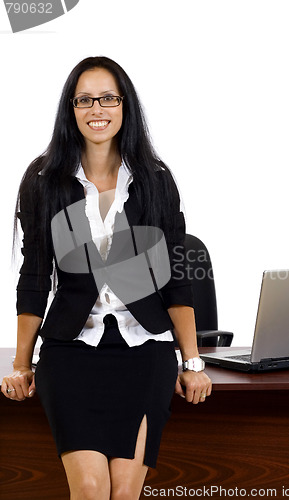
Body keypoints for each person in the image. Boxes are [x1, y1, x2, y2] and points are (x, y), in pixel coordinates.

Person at [1, 56, 212, 500]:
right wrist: (21, 365)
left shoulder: (154, 180)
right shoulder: (44, 181)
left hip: (145, 351)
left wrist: (191, 363)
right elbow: (35, 278)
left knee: (124, 489)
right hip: (71, 352)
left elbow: (175, 279)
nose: (97, 109)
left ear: (124, 106)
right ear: (71, 110)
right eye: (84, 100)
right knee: (92, 488)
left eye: (108, 98)